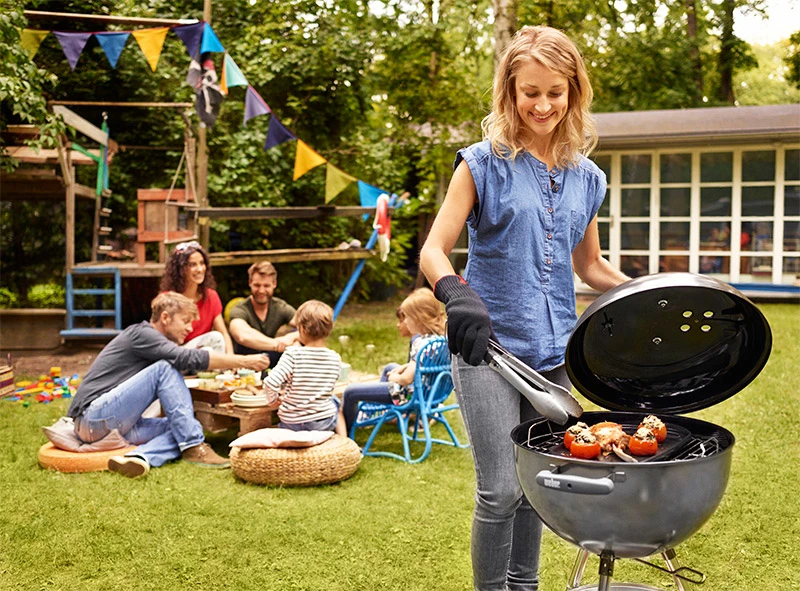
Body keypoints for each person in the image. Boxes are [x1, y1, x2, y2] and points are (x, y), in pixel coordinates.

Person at [419, 26, 630, 591]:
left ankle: (525, 585)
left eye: (555, 92)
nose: (542, 105)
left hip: (553, 353)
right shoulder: (482, 164)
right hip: (487, 348)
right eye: (529, 91)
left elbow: (592, 267)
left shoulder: (588, 178)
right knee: (501, 489)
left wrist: (648, 295)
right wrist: (456, 294)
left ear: (573, 92)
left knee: (537, 482)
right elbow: (433, 250)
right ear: (509, 92)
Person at [67, 292, 271, 478]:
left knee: (186, 426)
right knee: (164, 369)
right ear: (165, 317)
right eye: (185, 321)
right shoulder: (141, 333)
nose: (190, 328)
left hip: (117, 423)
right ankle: (194, 447)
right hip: (92, 418)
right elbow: (185, 358)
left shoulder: (153, 342)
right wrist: (244, 361)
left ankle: (139, 458)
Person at [340, 288, 446, 434]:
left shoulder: (420, 343)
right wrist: (405, 367)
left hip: (410, 396)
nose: (405, 322)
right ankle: (371, 414)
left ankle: (347, 431)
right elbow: (424, 365)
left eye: (407, 317)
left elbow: (406, 379)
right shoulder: (440, 340)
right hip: (432, 394)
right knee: (390, 366)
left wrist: (395, 378)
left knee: (350, 392)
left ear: (418, 319)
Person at [262, 300, 345, 436]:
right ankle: (344, 439)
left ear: (302, 329)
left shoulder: (292, 354)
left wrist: (272, 400)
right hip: (322, 424)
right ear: (329, 330)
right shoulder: (335, 358)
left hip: (292, 423)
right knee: (334, 401)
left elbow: (270, 382)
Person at [160, 240, 233, 353]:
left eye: (202, 263)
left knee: (214, 342)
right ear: (180, 269)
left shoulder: (210, 296)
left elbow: (224, 334)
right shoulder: (167, 299)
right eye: (192, 265)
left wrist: (232, 360)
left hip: (200, 352)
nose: (199, 269)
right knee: (209, 347)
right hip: (175, 355)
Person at [228, 261, 299, 366]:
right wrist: (277, 344)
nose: (261, 290)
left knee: (299, 340)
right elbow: (241, 335)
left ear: (274, 284)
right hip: (245, 362)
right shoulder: (239, 309)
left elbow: (307, 327)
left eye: (266, 286)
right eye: (257, 285)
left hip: (271, 360)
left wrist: (292, 337)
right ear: (250, 282)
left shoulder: (280, 307)